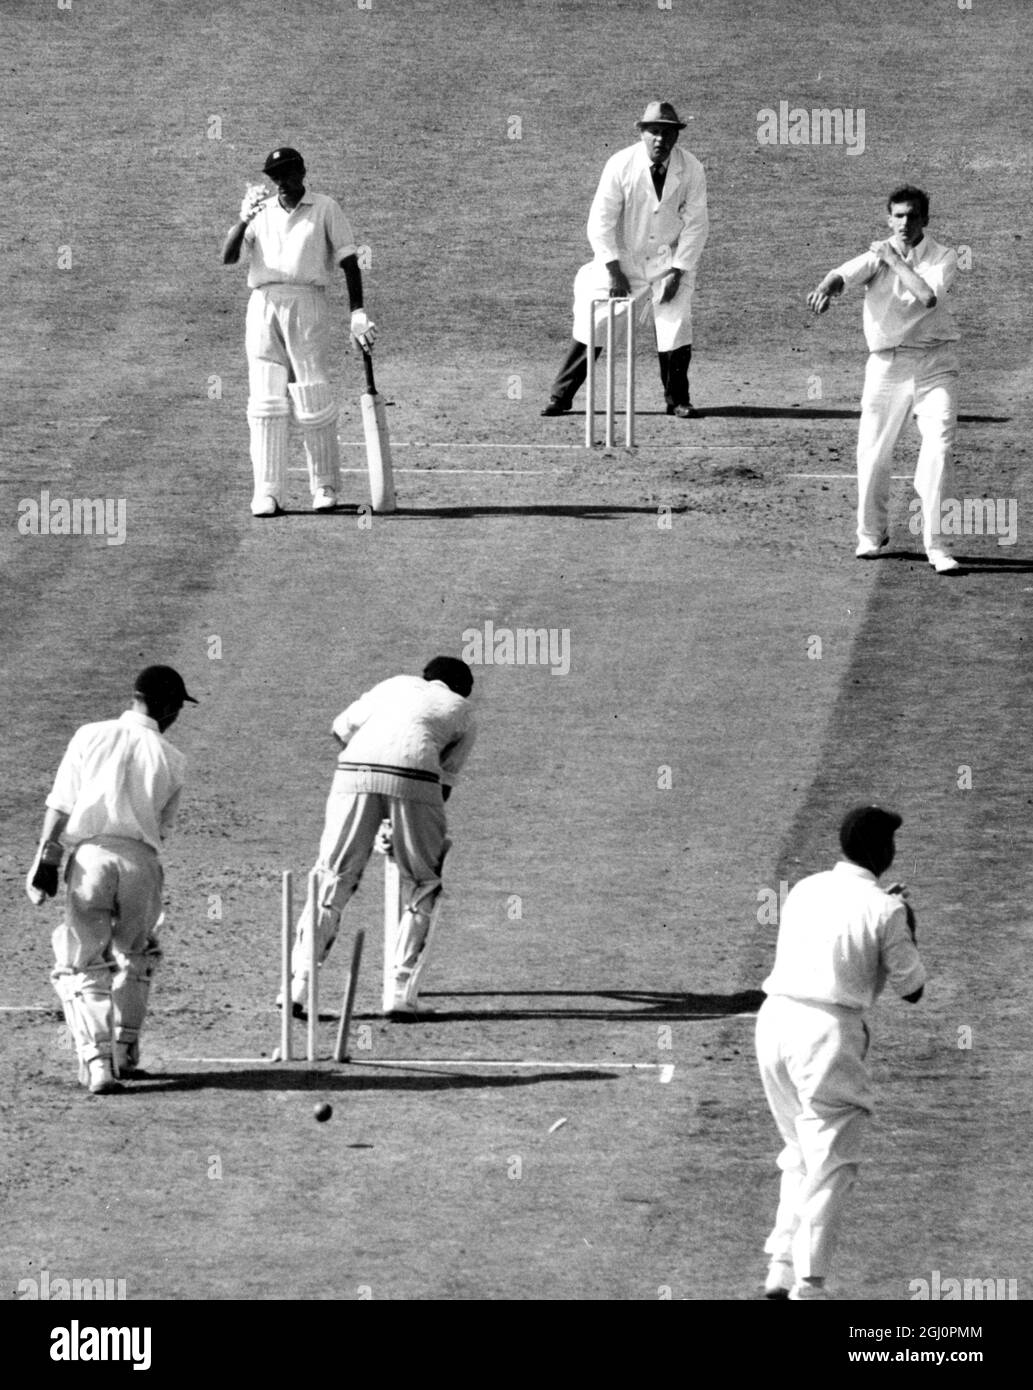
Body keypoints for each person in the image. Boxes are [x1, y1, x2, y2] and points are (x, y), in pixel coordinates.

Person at [755, 805, 926, 1300]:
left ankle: (781, 1268)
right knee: (833, 1160)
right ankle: (810, 1284)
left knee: (799, 1153)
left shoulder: (807, 888)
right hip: (826, 1035)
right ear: (881, 852)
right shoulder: (887, 909)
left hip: (774, 1024)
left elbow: (837, 926)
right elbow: (911, 987)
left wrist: (884, 912)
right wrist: (904, 921)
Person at [25, 666, 198, 1095]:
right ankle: (124, 1051)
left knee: (84, 961)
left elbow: (61, 803)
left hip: (90, 860)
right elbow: (161, 826)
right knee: (135, 955)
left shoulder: (89, 734)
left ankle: (98, 1064)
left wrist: (47, 856)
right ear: (169, 706)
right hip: (141, 863)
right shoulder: (173, 759)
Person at [286, 657, 476, 1019]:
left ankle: (297, 986)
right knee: (423, 881)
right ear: (462, 690)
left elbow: (339, 731)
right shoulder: (463, 711)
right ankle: (401, 992)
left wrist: (377, 806)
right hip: (416, 779)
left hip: (354, 770)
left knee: (332, 876)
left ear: (427, 678)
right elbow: (443, 785)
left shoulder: (395, 683)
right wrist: (399, 825)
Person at [807, 186, 962, 574]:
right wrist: (828, 286)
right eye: (898, 216)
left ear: (925, 218)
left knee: (939, 448)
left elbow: (926, 296)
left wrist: (891, 259)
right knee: (873, 452)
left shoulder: (944, 256)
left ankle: (937, 545)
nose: (905, 223)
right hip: (887, 365)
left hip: (935, 363)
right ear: (888, 218)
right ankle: (871, 536)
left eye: (912, 216)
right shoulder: (880, 254)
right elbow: (843, 274)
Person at [221, 146, 377, 517]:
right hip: (263, 303)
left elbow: (349, 262)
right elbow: (227, 257)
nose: (282, 182)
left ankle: (324, 486)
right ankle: (267, 493)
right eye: (275, 177)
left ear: (303, 171)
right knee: (265, 400)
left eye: (288, 174)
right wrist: (243, 220)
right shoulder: (259, 210)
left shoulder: (325, 207)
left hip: (307, 302)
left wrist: (357, 312)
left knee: (312, 392)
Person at [541, 100, 708, 420]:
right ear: (643, 133)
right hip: (622, 262)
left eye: (669, 133)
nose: (662, 140)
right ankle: (560, 396)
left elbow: (697, 223)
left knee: (675, 323)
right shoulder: (620, 164)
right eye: (655, 132)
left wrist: (678, 270)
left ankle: (677, 400)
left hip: (668, 262)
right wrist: (614, 270)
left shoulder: (692, 168)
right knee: (596, 321)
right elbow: (599, 222)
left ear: (677, 136)